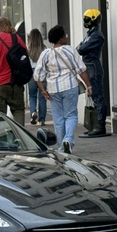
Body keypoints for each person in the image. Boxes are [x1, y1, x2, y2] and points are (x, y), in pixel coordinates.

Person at [33, 25, 92, 154]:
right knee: (71, 115)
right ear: (60, 38)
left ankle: (61, 148)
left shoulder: (45, 54)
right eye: (64, 34)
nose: (66, 36)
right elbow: (81, 70)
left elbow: (37, 75)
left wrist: (42, 89)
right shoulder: (70, 51)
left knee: (58, 119)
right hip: (70, 86)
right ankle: (68, 140)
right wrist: (88, 85)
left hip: (53, 89)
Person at [77, 9, 108, 136]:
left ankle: (100, 125)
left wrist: (80, 48)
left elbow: (81, 49)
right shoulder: (90, 34)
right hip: (89, 66)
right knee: (94, 96)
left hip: (93, 67)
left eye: (88, 19)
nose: (86, 22)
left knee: (97, 96)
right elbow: (80, 48)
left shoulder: (96, 35)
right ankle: (95, 124)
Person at [26, 29, 47, 126]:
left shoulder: (27, 50)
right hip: (42, 73)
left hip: (31, 73)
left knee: (32, 95)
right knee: (42, 96)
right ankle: (41, 119)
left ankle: (33, 112)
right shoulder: (44, 49)